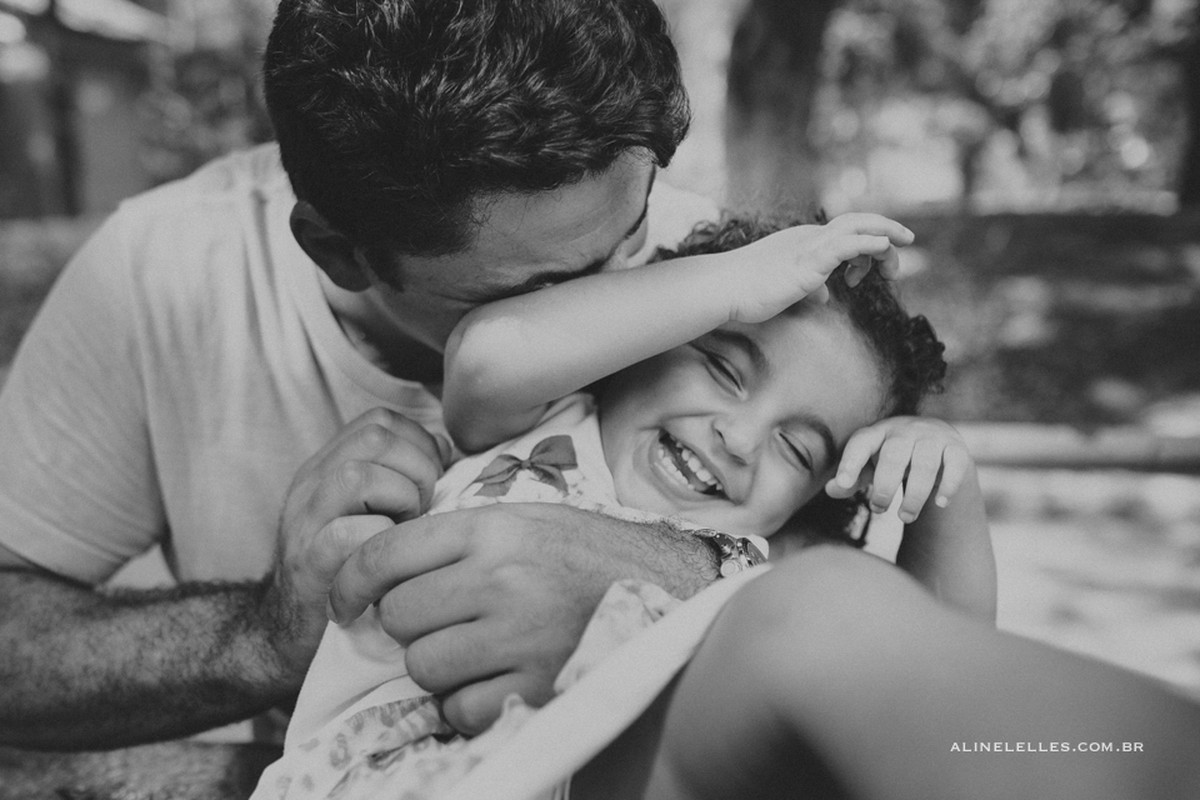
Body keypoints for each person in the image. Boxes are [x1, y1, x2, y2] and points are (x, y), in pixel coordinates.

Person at [0, 0, 721, 748]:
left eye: (632, 230)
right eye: (538, 292)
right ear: (337, 252)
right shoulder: (161, 276)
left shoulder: (713, 265)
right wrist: (261, 636)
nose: (612, 304)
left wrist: (672, 579)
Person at [249, 214, 994, 799]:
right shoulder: (545, 415)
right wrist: (738, 279)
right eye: (724, 369)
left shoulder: (755, 564)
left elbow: (941, 669)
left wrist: (945, 485)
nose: (739, 438)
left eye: (797, 450)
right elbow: (483, 353)